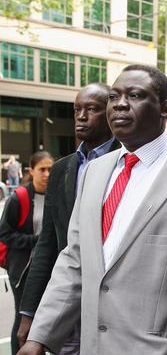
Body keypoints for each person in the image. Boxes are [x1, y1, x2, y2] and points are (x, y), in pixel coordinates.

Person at [18, 65, 167, 355]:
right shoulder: (95, 172)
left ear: (164, 109)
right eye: (113, 96)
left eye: (135, 95)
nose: (120, 104)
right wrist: (40, 336)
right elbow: (76, 260)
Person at [16, 84, 120, 354]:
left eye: (92, 109)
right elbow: (47, 244)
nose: (81, 116)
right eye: (77, 110)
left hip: (112, 305)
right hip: (66, 302)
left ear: (110, 114)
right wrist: (28, 312)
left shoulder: (127, 162)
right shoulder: (62, 169)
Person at [0, 151, 53, 354]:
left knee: (44, 318)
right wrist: (36, 242)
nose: (47, 174)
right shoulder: (19, 198)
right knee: (23, 318)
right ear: (31, 170)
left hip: (47, 269)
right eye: (42, 169)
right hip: (22, 270)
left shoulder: (55, 196)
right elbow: (4, 233)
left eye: (50, 169)